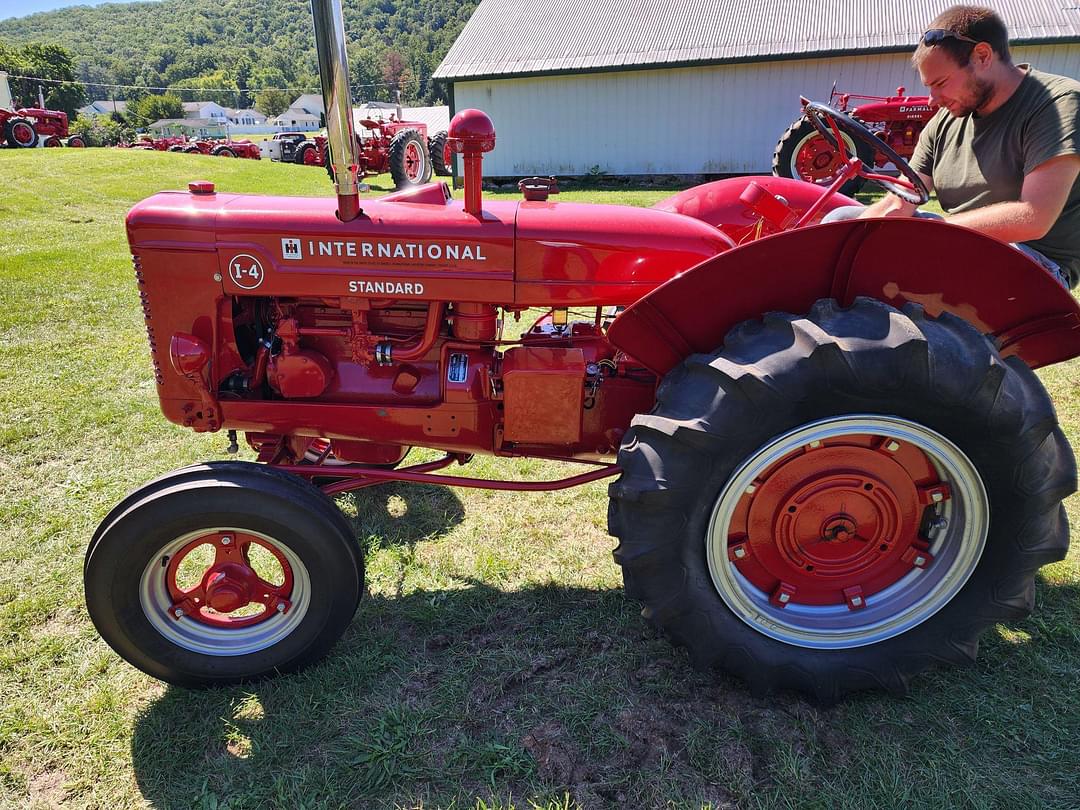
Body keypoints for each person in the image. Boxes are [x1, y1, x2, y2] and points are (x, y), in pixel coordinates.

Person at [830, 5, 1080, 289]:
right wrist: (839, 245)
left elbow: (1033, 217)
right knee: (841, 220)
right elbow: (901, 200)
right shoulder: (945, 121)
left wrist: (932, 235)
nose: (931, 100)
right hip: (958, 240)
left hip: (1034, 261)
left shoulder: (1056, 103)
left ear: (983, 56)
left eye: (940, 83)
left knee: (904, 270)